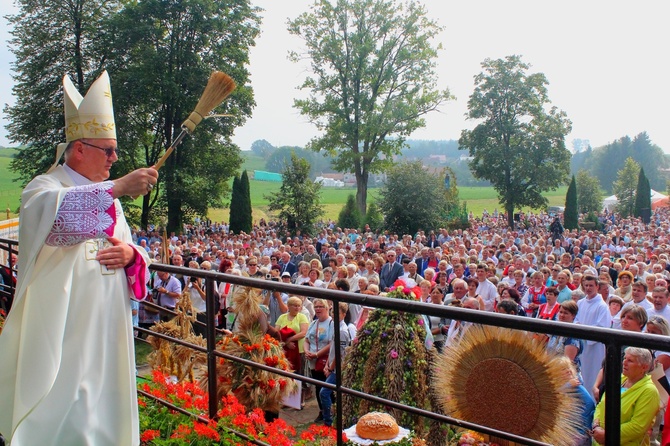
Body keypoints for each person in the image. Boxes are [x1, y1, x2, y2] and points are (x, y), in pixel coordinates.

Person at [0, 71, 156, 445]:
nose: (115, 158)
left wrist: (131, 254)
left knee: (104, 409)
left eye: (115, 150)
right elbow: (56, 223)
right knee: (64, 410)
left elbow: (132, 249)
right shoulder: (46, 187)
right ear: (80, 149)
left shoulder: (112, 200)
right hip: (61, 325)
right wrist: (117, 187)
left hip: (106, 323)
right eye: (108, 150)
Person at [591, 348, 660, 446]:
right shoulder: (619, 379)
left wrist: (608, 435)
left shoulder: (649, 391)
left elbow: (637, 426)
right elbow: (601, 404)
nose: (624, 362)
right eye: (624, 358)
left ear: (644, 367)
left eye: (630, 360)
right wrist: (596, 426)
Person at [320, 302, 352, 427]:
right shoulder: (335, 326)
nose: (334, 315)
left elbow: (340, 353)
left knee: (324, 392)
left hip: (338, 368)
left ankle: (329, 421)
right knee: (331, 393)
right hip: (332, 366)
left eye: (337, 313)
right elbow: (333, 348)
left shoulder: (343, 331)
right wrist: (327, 364)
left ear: (344, 315)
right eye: (333, 312)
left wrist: (331, 367)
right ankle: (333, 419)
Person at [304, 298, 333, 423]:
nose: (318, 309)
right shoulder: (313, 323)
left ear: (327, 308)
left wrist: (317, 354)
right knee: (317, 386)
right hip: (313, 361)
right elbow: (306, 339)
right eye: (316, 307)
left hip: (325, 360)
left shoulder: (331, 323)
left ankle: (331, 412)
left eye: (321, 306)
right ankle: (322, 411)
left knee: (326, 388)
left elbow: (332, 343)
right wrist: (306, 351)